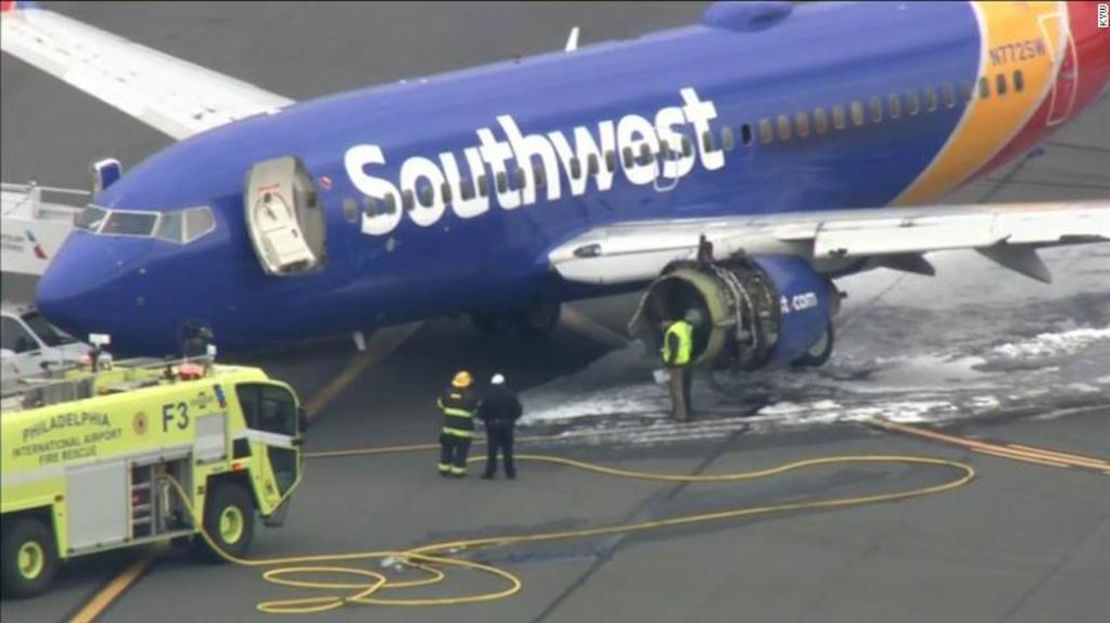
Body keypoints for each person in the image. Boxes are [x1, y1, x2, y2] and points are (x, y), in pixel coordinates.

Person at [478, 373, 523, 480]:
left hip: (492, 427)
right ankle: (510, 473)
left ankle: (490, 472)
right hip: (507, 426)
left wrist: (487, 421)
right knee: (508, 450)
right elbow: (518, 411)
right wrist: (511, 420)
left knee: (492, 451)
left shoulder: (487, 397)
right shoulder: (511, 395)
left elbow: (481, 413)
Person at [437, 370, 480, 477]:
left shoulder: (446, 393)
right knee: (461, 452)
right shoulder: (472, 396)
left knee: (447, 450)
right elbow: (476, 409)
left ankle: (444, 469)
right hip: (464, 431)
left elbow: (440, 404)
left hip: (448, 429)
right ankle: (458, 472)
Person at [661, 310, 699, 422]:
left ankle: (680, 416)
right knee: (685, 390)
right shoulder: (684, 327)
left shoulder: (673, 332)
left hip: (676, 365)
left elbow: (674, 349)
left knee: (676, 391)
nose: (662, 325)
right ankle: (688, 412)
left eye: (663, 322)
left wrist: (668, 364)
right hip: (686, 362)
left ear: (669, 321)